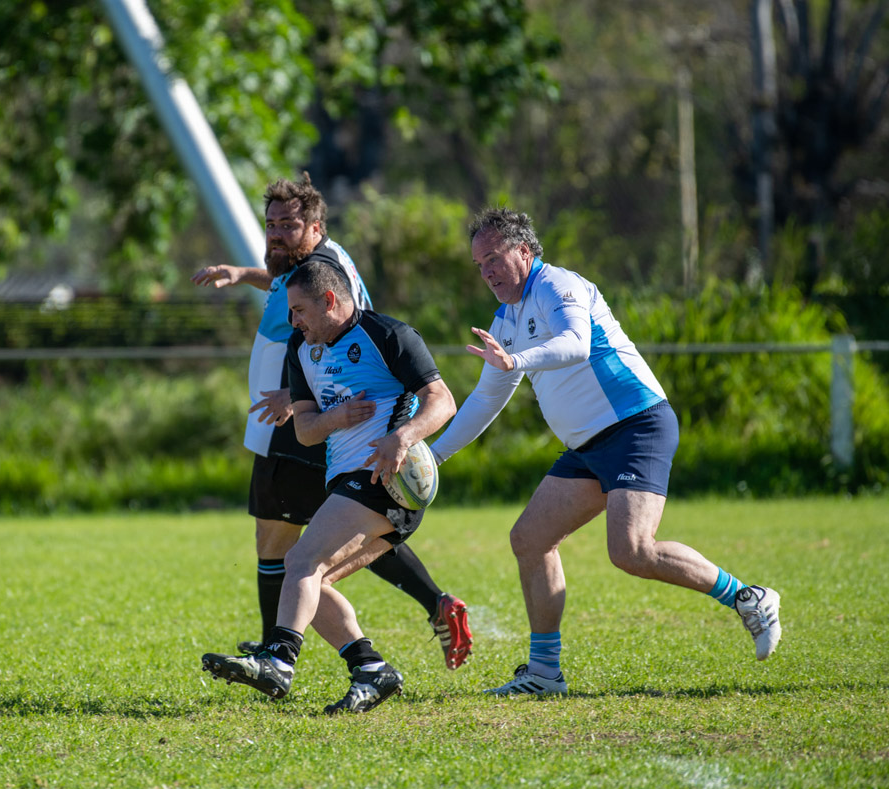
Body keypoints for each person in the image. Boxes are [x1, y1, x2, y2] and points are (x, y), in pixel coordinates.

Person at [430, 206, 782, 697]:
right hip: (588, 447)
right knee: (530, 539)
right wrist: (435, 455)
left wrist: (518, 359)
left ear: (524, 252)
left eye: (493, 258)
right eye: (479, 264)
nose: (486, 271)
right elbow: (488, 397)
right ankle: (544, 674)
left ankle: (748, 597)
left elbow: (576, 344)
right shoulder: (505, 320)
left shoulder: (558, 285)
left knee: (632, 550)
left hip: (636, 427)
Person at [191, 174, 472, 670]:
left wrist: (302, 395)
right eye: (271, 224)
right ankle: (416, 615)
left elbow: (352, 333)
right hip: (301, 415)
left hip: (312, 421)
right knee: (325, 533)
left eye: (288, 224)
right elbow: (283, 285)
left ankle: (278, 649)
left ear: (314, 227)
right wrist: (242, 273)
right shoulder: (302, 266)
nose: (276, 233)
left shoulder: (322, 272)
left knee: (303, 538)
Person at [202, 259, 457, 713]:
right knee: (309, 581)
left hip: (385, 477)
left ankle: (279, 660)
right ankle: (371, 669)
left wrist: (402, 437)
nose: (293, 320)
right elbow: (305, 431)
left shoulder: (390, 335)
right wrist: (335, 418)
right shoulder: (300, 350)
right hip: (345, 481)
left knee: (298, 559)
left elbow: (443, 401)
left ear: (329, 301)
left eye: (299, 310)